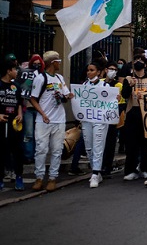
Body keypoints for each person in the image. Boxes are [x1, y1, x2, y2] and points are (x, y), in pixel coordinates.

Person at [29, 51, 74, 192]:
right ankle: (39, 177)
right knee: (41, 149)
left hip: (59, 120)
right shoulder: (40, 78)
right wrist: (42, 114)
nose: (59, 64)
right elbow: (33, 98)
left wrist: (68, 96)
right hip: (44, 120)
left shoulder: (60, 78)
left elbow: (65, 95)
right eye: (58, 62)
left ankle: (53, 177)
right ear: (52, 63)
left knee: (57, 150)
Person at [121, 54, 147, 181]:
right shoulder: (128, 78)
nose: (138, 63)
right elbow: (124, 95)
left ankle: (146, 168)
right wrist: (130, 86)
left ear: (145, 64)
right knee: (131, 143)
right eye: (136, 60)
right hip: (132, 111)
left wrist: (145, 96)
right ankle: (131, 169)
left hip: (146, 112)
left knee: (145, 142)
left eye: (140, 61)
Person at [81, 61, 112, 189]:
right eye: (88, 70)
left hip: (100, 119)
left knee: (98, 145)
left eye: (92, 70)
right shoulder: (83, 85)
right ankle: (96, 171)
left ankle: (95, 173)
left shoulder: (105, 85)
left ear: (98, 72)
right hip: (87, 119)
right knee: (89, 147)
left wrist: (115, 98)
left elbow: (110, 100)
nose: (89, 72)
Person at [0, 59, 24, 190]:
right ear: (8, 71)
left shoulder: (16, 87)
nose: (17, 71)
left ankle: (19, 176)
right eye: (14, 69)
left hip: (14, 124)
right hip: (2, 123)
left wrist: (20, 114)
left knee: (17, 150)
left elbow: (19, 103)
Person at [17, 54, 44, 163]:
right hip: (28, 108)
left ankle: (37, 155)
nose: (36, 65)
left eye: (39, 64)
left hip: (40, 108)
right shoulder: (26, 75)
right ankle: (28, 155)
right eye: (34, 63)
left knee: (39, 133)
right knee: (28, 133)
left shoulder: (43, 76)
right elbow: (22, 87)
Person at [101, 61, 124, 177]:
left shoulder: (118, 85)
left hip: (111, 119)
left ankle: (107, 167)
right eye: (111, 69)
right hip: (100, 118)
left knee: (110, 144)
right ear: (105, 70)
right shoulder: (99, 83)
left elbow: (121, 103)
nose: (113, 71)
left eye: (115, 70)